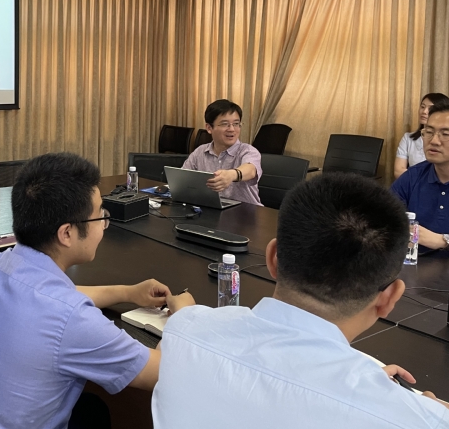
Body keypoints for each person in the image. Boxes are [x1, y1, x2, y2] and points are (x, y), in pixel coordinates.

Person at [152, 173, 449, 429]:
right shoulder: (419, 421)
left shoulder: (182, 331)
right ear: (389, 298)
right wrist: (419, 411)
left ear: (272, 258)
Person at [0, 152, 195, 429]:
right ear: (66, 233)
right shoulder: (73, 319)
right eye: (99, 215)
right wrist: (184, 316)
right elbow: (162, 372)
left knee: (91, 408)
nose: (104, 224)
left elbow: (54, 298)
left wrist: (128, 293)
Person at [391, 99, 449, 251]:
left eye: (445, 134)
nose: (434, 141)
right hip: (415, 263)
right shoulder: (413, 177)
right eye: (429, 132)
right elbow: (383, 219)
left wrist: (443, 241)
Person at [182, 99, 263, 205]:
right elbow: (182, 178)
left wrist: (231, 175)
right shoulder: (200, 152)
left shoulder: (248, 151)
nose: (232, 129)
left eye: (236, 124)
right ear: (209, 128)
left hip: (246, 211)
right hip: (211, 208)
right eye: (225, 124)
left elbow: (251, 170)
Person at [394, 92, 449, 179]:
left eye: (431, 108)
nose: (424, 111)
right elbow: (398, 171)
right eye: (422, 107)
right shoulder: (408, 138)